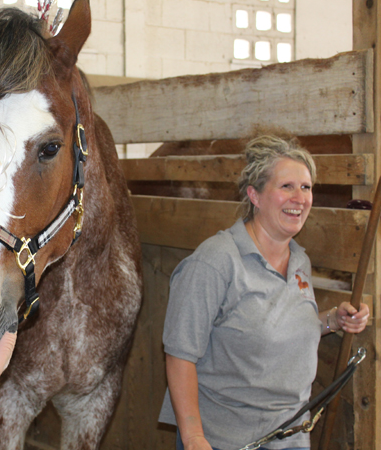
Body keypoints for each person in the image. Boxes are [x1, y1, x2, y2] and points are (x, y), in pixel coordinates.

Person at [158, 133, 370, 450]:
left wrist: (333, 321)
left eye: (306, 187)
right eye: (287, 186)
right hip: (226, 441)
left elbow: (284, 328)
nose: (300, 198)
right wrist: (193, 438)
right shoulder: (214, 262)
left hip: (292, 437)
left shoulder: (299, 260)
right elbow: (179, 356)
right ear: (254, 195)